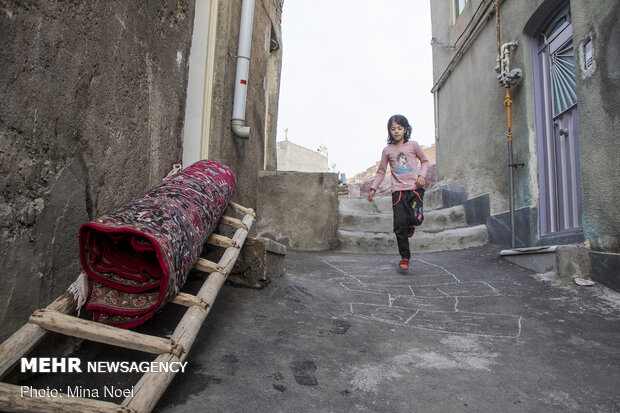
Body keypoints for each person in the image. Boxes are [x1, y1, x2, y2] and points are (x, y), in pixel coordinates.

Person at [367, 114, 429, 271]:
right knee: (399, 226)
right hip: (398, 193)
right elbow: (381, 171)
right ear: (389, 130)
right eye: (393, 128)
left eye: (399, 128)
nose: (396, 131)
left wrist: (422, 176)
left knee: (417, 219)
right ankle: (405, 257)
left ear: (405, 129)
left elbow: (425, 161)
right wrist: (373, 188)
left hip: (415, 189)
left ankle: (411, 225)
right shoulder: (387, 150)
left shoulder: (413, 145)